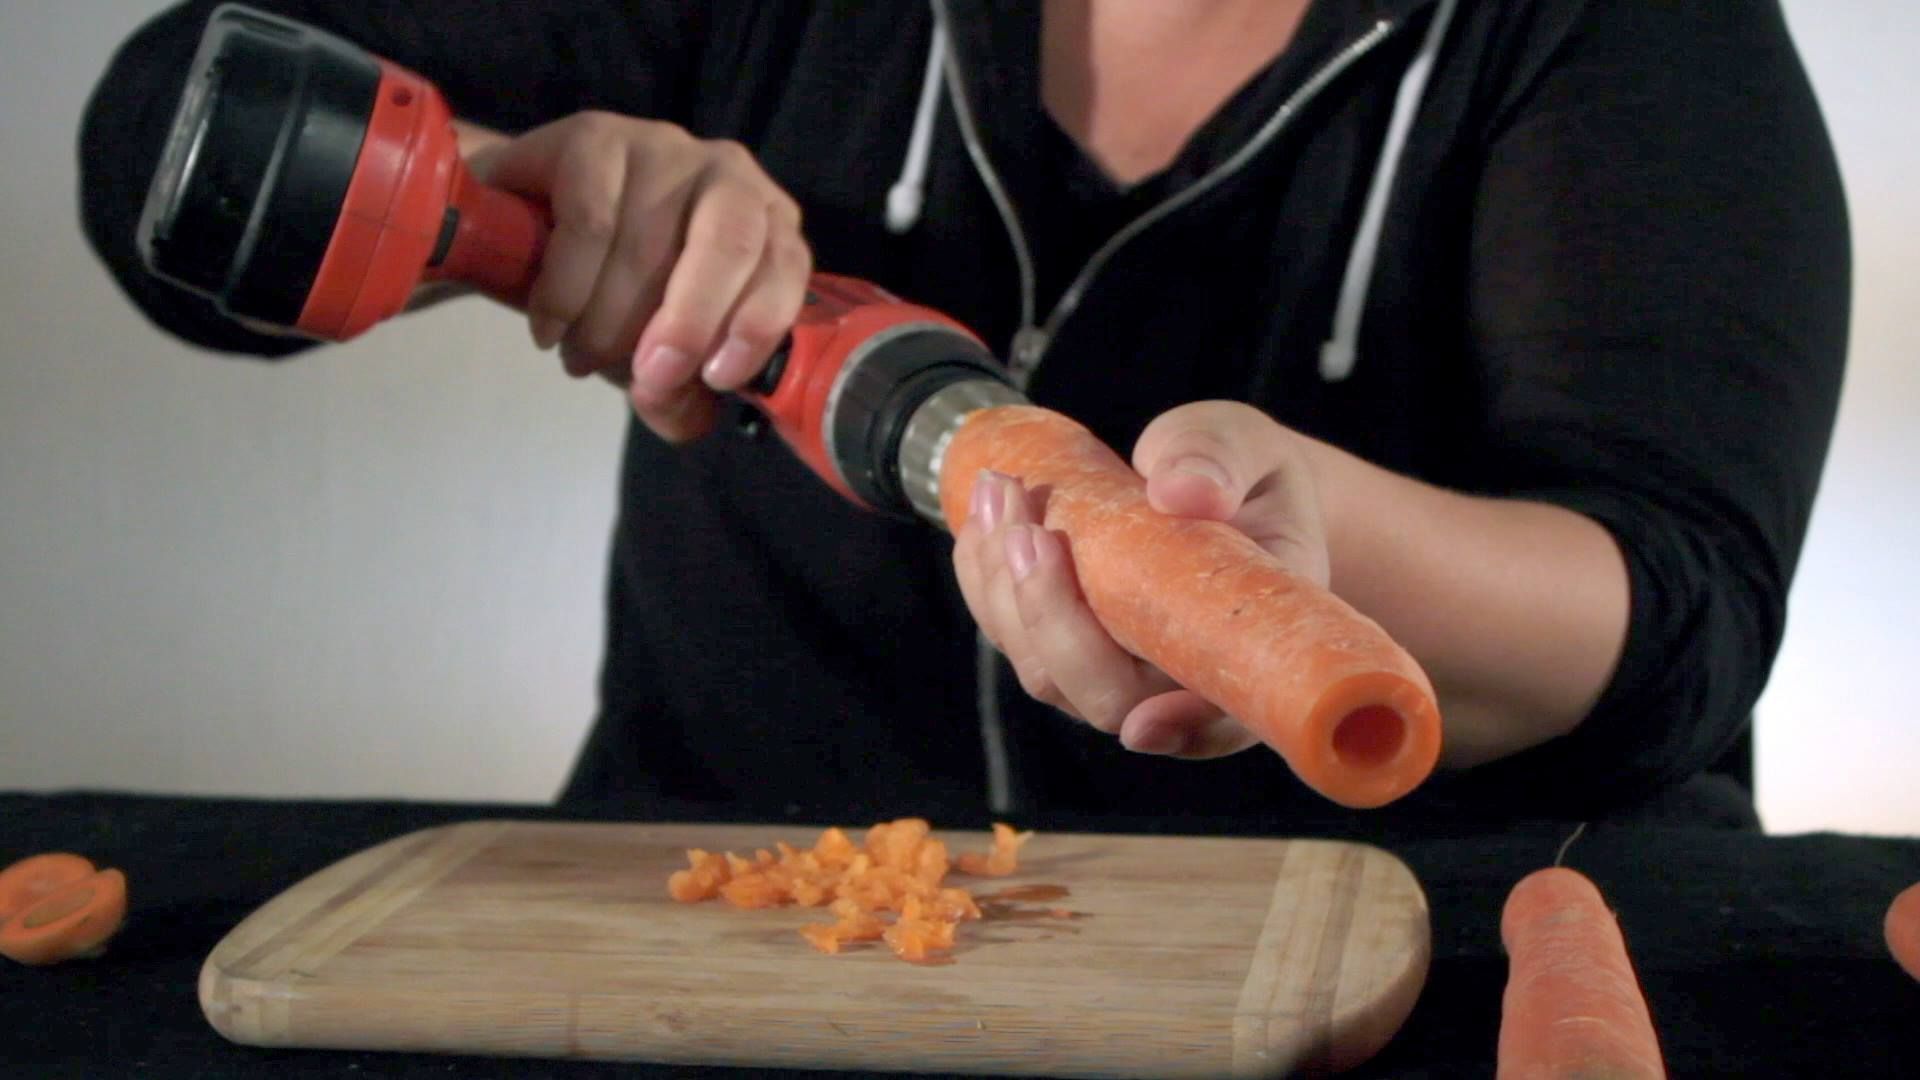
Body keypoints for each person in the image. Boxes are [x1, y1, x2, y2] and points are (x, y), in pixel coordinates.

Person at [80, 0, 1849, 830]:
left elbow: (1682, 611)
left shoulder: (1618, 37)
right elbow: (172, 127)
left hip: (1429, 948)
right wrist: (495, 198)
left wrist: (1301, 544)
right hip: (749, 905)